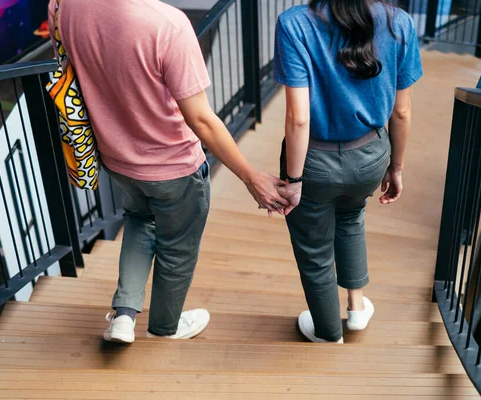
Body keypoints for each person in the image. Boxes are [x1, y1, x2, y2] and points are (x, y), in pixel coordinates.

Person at [48, 0, 289, 343]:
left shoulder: (65, 6)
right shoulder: (168, 25)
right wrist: (251, 177)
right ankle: (165, 328)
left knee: (139, 220)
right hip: (174, 169)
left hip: (118, 160)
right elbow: (202, 119)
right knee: (176, 249)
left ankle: (124, 315)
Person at [273, 0, 423, 343]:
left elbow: (298, 117)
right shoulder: (399, 22)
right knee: (352, 216)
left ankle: (327, 333)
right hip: (370, 155)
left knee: (314, 250)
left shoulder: (294, 24)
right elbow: (401, 112)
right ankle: (356, 310)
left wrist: (293, 181)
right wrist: (396, 166)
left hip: (313, 161)